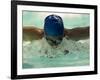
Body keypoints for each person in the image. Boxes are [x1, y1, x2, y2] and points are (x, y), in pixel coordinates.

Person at [23, 14, 89, 58]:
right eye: (50, 40)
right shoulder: (33, 34)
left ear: (63, 34)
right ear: (45, 34)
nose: (55, 45)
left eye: (59, 40)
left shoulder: (72, 35)